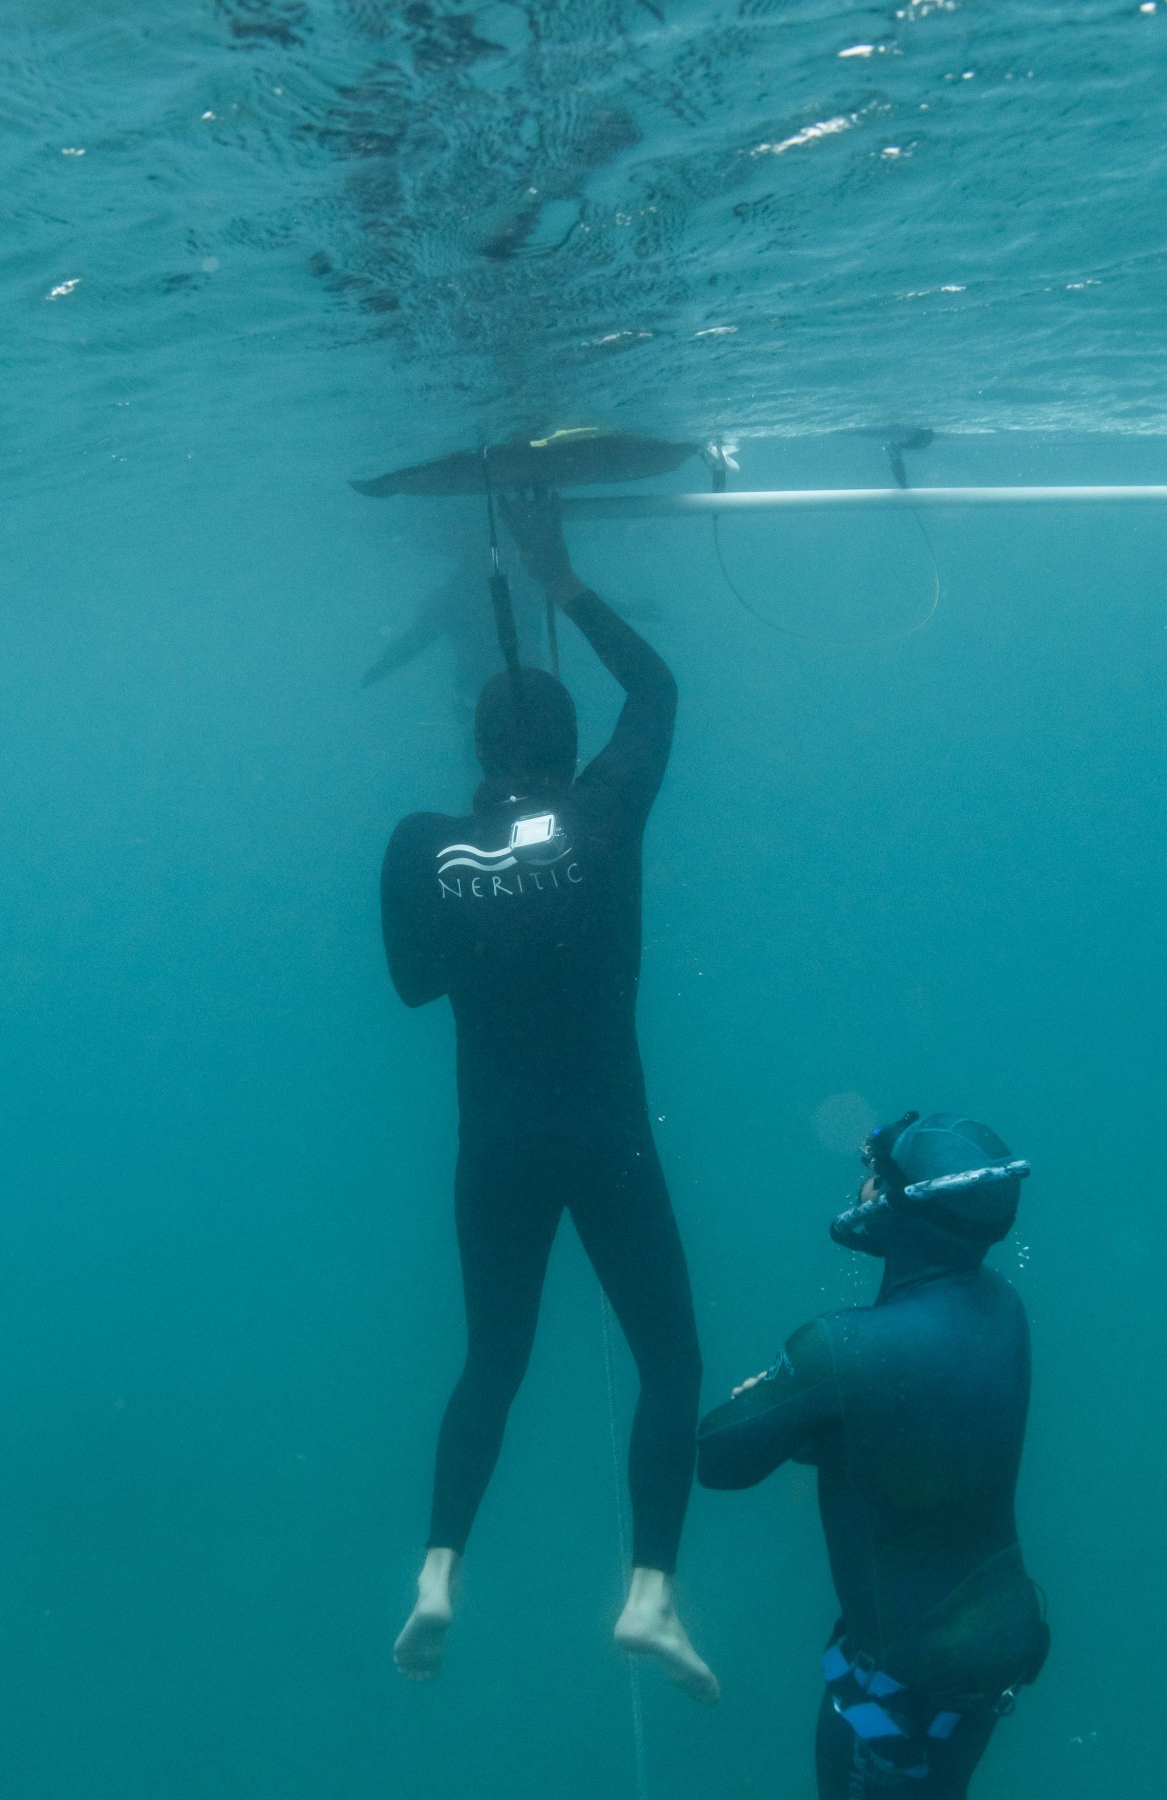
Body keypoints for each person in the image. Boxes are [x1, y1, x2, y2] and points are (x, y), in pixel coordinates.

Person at [380, 490, 716, 1700]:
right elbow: (660, 693)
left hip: (496, 1148)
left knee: (492, 1363)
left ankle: (436, 1573)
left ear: (478, 753)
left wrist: (479, 905)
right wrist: (560, 578)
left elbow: (416, 989)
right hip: (606, 1137)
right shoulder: (608, 813)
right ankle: (650, 1596)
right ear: (571, 752)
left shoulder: (419, 844)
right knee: (670, 1364)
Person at [697, 1113, 1048, 1798]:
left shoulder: (838, 1349)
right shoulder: (1004, 1309)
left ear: (906, 1209)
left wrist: (786, 1405)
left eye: (877, 1178)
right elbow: (921, 1435)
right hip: (999, 1638)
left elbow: (718, 1459)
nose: (862, 1189)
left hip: (905, 1669)